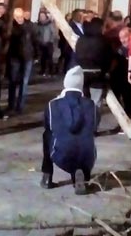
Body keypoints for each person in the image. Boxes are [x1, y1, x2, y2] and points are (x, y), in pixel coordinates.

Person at [40, 65, 96, 195]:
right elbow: (93, 127)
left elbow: (48, 126)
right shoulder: (91, 104)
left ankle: (47, 175)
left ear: (65, 83)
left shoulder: (52, 104)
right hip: (87, 156)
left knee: (47, 135)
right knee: (86, 138)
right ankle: (82, 175)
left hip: (60, 153)